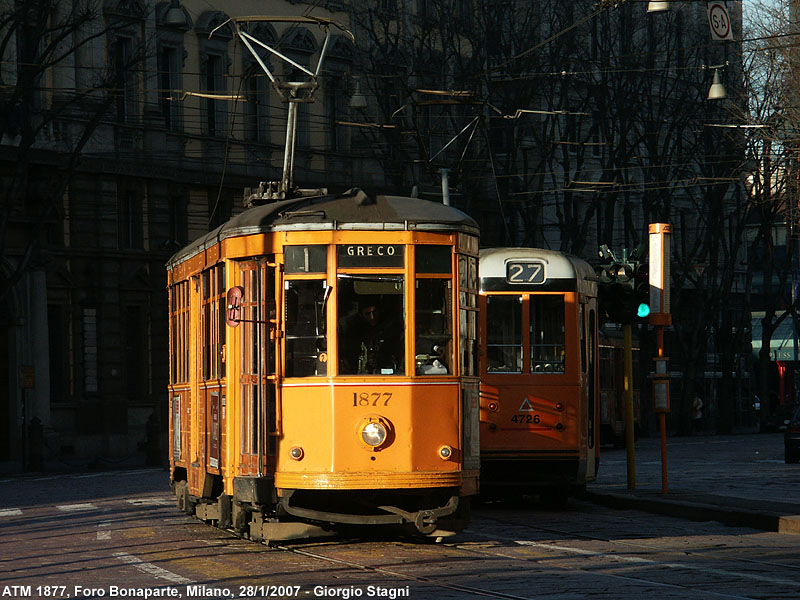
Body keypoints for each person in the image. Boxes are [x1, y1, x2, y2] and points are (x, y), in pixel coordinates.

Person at [339, 297, 402, 374]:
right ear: (360, 314)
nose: (372, 317)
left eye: (374, 312)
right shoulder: (350, 327)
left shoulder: (388, 326)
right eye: (367, 314)